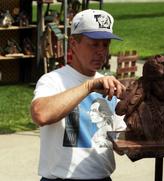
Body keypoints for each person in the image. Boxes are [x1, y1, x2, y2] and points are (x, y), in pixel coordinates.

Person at [31, 9, 126, 181]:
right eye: (94, 44)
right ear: (74, 44)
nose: (101, 51)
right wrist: (89, 86)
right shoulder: (53, 80)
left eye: (105, 45)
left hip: (103, 177)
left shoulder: (109, 84)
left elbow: (120, 145)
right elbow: (40, 114)